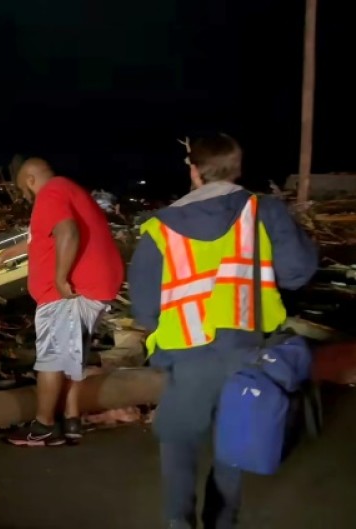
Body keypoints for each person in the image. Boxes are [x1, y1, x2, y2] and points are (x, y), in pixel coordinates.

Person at [128, 133, 317, 528]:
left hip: (185, 359)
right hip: (248, 352)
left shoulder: (159, 228)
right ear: (237, 168)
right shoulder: (262, 210)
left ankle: (179, 522)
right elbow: (299, 272)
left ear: (194, 171)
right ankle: (222, 522)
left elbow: (145, 309)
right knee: (233, 442)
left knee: (178, 446)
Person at [0, 158, 123, 446]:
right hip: (96, 286)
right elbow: (44, 238)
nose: (28, 199)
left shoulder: (50, 192)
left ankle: (44, 426)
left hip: (67, 293)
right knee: (70, 356)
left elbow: (67, 232)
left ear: (29, 180)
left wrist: (61, 279)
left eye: (25, 192)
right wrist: (9, 253)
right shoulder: (69, 190)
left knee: (51, 360)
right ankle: (72, 418)